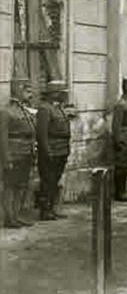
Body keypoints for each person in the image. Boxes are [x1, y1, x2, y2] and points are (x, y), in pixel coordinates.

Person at [36, 81, 75, 220]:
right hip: (51, 150)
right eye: (62, 92)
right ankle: (45, 210)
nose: (64, 95)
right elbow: (42, 134)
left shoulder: (58, 108)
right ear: (54, 93)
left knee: (54, 181)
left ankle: (52, 208)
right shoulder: (45, 109)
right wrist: (47, 151)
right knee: (47, 181)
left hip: (61, 150)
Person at [1, 79, 37, 227]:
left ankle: (16, 216)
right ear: (18, 91)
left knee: (22, 186)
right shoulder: (6, 111)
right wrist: (6, 158)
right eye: (27, 91)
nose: (31, 94)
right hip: (14, 154)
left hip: (26, 153)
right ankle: (9, 218)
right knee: (10, 186)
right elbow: (2, 138)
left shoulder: (25, 110)